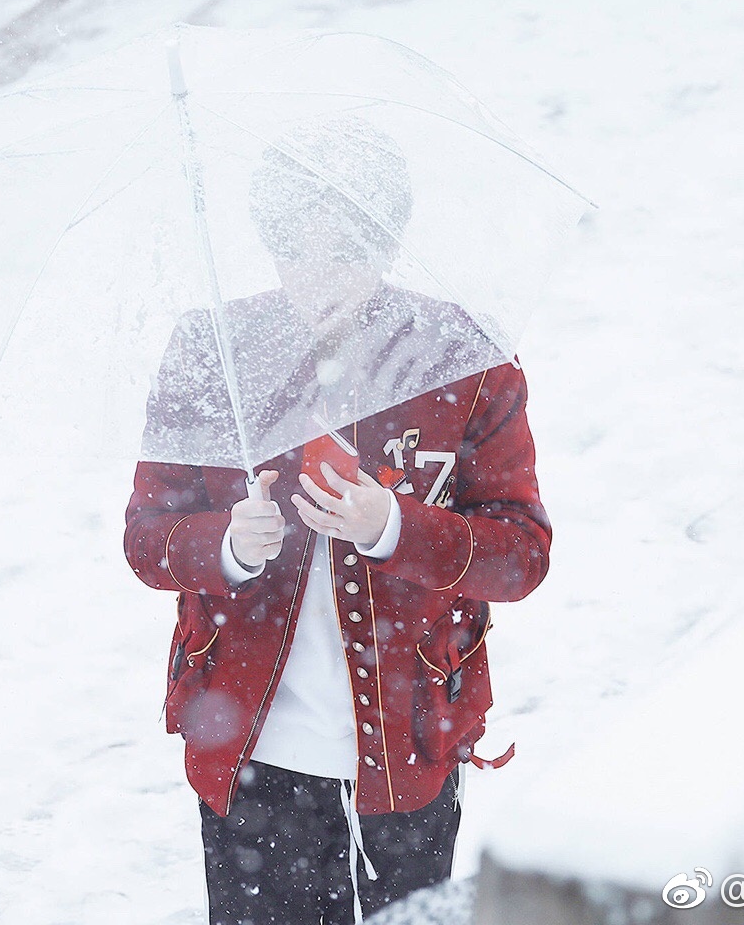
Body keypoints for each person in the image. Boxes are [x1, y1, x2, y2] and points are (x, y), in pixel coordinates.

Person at [122, 118, 551, 924]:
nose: (317, 279)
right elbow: (146, 536)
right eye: (296, 253)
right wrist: (223, 546)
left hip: (408, 750)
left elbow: (521, 555)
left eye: (345, 254)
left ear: (387, 249)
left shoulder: (462, 359)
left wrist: (395, 525)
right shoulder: (214, 349)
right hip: (250, 755)